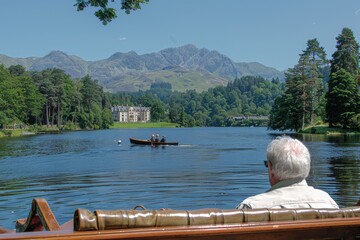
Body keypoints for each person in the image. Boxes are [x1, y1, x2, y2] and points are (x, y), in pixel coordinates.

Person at [236, 136, 339, 209]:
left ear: (271, 169)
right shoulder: (328, 203)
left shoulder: (252, 207)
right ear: (307, 169)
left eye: (267, 165)